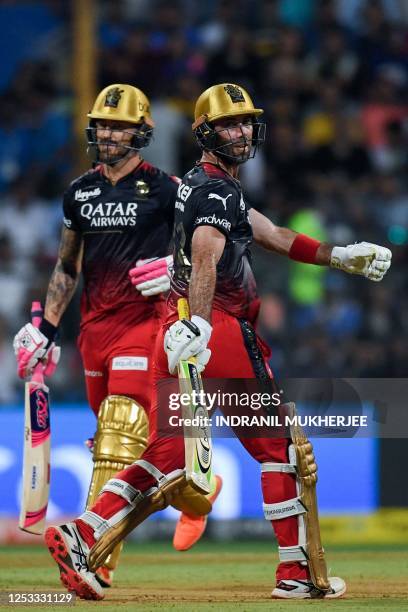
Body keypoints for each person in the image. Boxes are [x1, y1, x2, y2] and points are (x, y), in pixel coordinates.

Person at [43, 83, 391, 600]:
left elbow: (271, 233)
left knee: (165, 455)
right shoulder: (216, 190)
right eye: (230, 124)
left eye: (247, 122)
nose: (243, 131)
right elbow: (206, 254)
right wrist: (203, 324)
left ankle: (84, 531)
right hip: (219, 331)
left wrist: (338, 256)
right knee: (281, 450)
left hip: (171, 330)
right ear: (206, 133)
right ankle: (296, 575)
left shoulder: (200, 184)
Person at [13, 83, 222, 588]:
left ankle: (93, 559)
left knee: (117, 436)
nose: (108, 134)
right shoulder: (79, 192)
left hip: (147, 326)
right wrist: (44, 330)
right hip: (94, 333)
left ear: (141, 132)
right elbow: (67, 267)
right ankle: (201, 487)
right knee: (139, 448)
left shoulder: (169, 190)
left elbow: (209, 248)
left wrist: (174, 265)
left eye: (119, 126)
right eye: (103, 125)